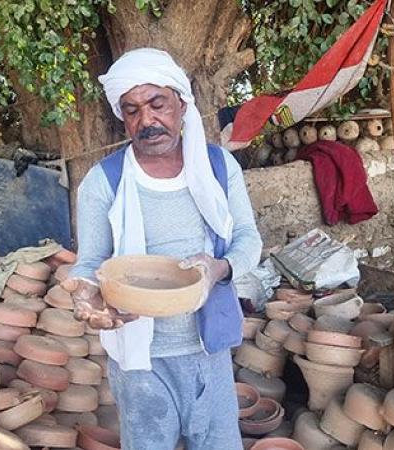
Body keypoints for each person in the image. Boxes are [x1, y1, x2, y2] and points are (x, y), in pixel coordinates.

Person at [63, 48, 262, 450]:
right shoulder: (104, 182)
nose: (147, 120)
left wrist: (216, 270)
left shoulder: (219, 167)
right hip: (139, 361)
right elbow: (90, 262)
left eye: (158, 104)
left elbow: (248, 238)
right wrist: (86, 294)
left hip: (208, 349)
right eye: (132, 110)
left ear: (182, 105)